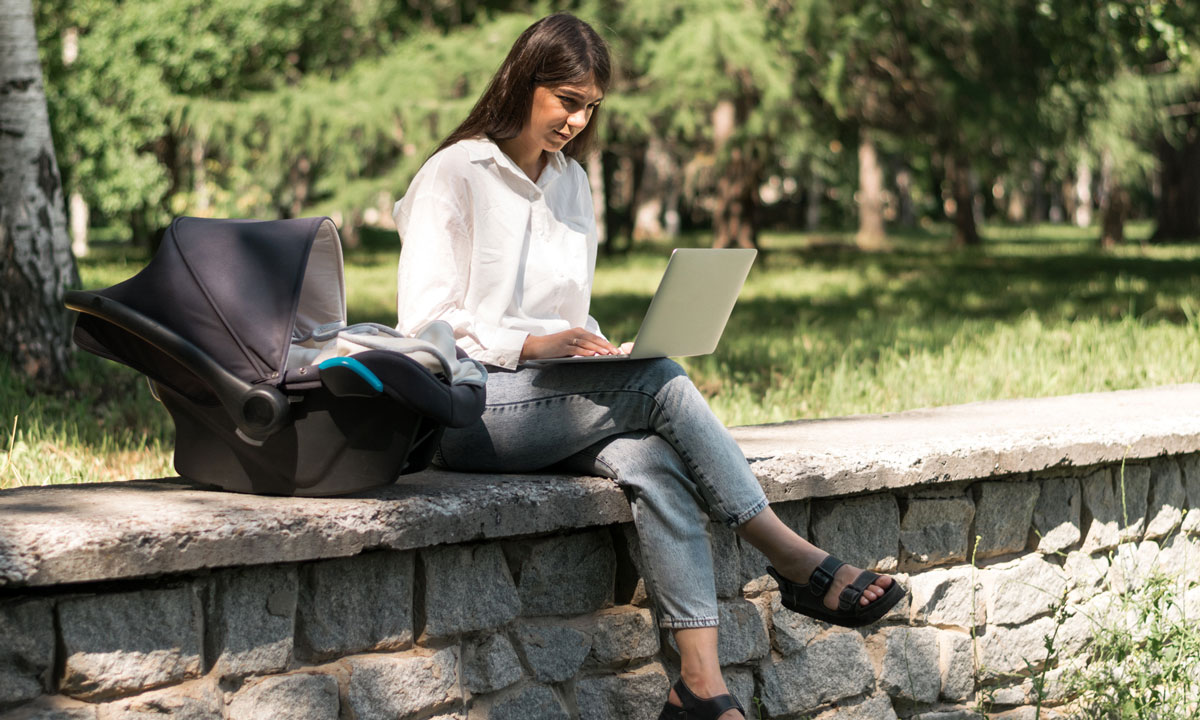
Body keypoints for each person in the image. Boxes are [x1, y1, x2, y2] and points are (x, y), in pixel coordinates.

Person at [393, 14, 905, 720]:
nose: (577, 121)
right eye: (566, 101)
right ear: (522, 80)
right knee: (658, 380)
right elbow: (422, 327)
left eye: (589, 107)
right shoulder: (455, 173)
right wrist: (531, 348)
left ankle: (699, 688)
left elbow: (569, 310)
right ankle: (790, 557)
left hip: (545, 404)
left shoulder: (571, 184)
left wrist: (597, 349)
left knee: (651, 459)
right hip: (464, 410)